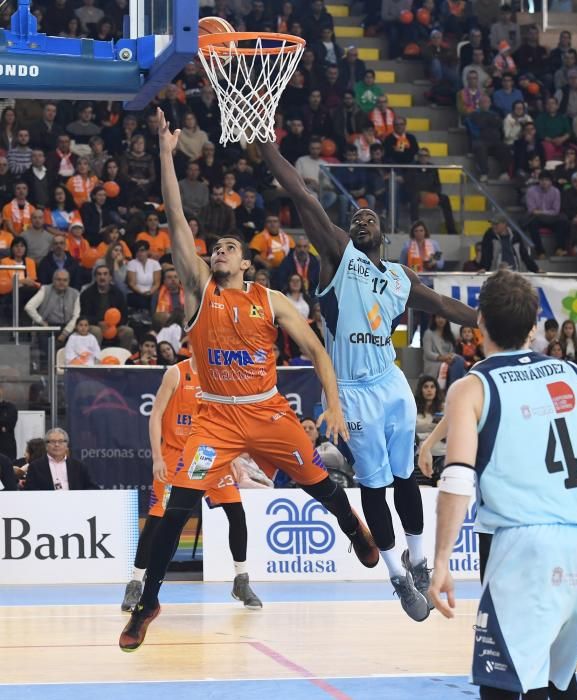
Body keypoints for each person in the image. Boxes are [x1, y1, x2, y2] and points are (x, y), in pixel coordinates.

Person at [118, 110, 378, 651]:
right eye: (216, 248)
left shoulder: (271, 300)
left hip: (269, 412)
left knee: (319, 486)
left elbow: (316, 351)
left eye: (229, 248)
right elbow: (175, 218)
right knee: (178, 504)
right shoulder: (198, 291)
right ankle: (148, 601)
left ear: (247, 264)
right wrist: (166, 154)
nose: (219, 250)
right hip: (214, 421)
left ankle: (355, 530)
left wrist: (331, 402)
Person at [258, 137, 476, 623]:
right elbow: (305, 196)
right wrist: (267, 150)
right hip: (353, 392)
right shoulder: (339, 258)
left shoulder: (401, 278)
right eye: (355, 216)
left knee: (407, 480)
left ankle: (419, 561)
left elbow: (446, 307)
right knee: (374, 489)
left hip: (392, 384)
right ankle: (397, 574)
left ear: (386, 234)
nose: (361, 219)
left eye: (370, 217)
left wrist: (491, 319)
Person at [429, 269, 577, 699]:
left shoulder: (473, 387)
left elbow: (456, 479)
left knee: (503, 687)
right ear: (532, 326)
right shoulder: (576, 376)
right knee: (559, 681)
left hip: (528, 545)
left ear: (479, 321)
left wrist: (441, 561)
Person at [121, 355, 262, 613]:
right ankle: (135, 582)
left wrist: (233, 455)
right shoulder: (177, 373)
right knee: (158, 521)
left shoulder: (221, 375)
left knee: (236, 512)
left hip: (209, 456)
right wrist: (157, 457)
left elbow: (228, 421)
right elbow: (155, 417)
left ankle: (241, 580)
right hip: (175, 456)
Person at [24, 428, 98, 490]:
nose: (57, 445)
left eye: (61, 441)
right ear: (46, 445)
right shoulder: (35, 467)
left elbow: (92, 488)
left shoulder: (79, 466)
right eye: (53, 441)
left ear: (66, 445)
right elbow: (30, 491)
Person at [24, 269, 80, 348]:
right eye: (58, 279)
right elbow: (29, 307)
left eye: (65, 280)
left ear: (69, 281)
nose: (62, 282)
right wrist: (41, 321)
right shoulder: (45, 289)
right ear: (53, 280)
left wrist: (65, 333)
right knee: (44, 337)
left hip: (67, 327)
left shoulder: (75, 293)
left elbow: (76, 316)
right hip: (47, 326)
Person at [0, 385, 18, 460]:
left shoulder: (10, 407)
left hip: (7, 448)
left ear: (1, 390)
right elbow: (4, 426)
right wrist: (2, 427)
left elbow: (10, 425)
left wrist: (5, 427)